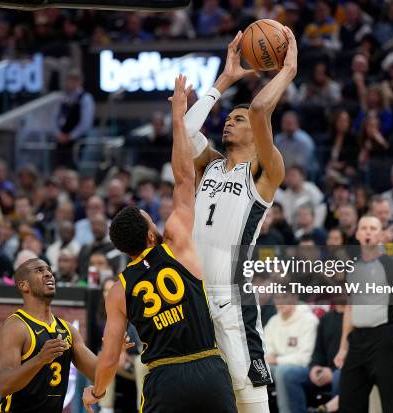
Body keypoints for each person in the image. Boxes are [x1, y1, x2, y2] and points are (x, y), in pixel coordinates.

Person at [82, 75, 237, 413]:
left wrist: (96, 390)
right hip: (209, 367)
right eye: (151, 219)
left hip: (164, 379)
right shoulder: (177, 244)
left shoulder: (119, 290)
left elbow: (110, 354)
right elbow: (184, 176)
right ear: (151, 234)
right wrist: (179, 118)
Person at [181, 28, 297, 412]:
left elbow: (262, 109)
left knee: (249, 398)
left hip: (232, 297)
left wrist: (288, 70)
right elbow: (184, 130)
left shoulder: (265, 174)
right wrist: (225, 79)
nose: (229, 122)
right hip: (195, 297)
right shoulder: (209, 166)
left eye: (238, 119)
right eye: (228, 117)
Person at [0, 257, 120, 413]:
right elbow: (3, 385)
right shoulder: (16, 327)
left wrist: (114, 349)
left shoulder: (68, 330)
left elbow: (98, 374)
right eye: (39, 270)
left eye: (49, 270)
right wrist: (40, 359)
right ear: (23, 285)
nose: (48, 274)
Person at [334, 215, 393, 413]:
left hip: (385, 340)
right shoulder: (352, 267)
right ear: (357, 234)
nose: (368, 232)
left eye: (373, 228)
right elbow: (350, 307)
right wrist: (342, 347)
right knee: (348, 402)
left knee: (391, 403)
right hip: (357, 341)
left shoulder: (392, 266)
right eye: (363, 228)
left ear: (381, 235)